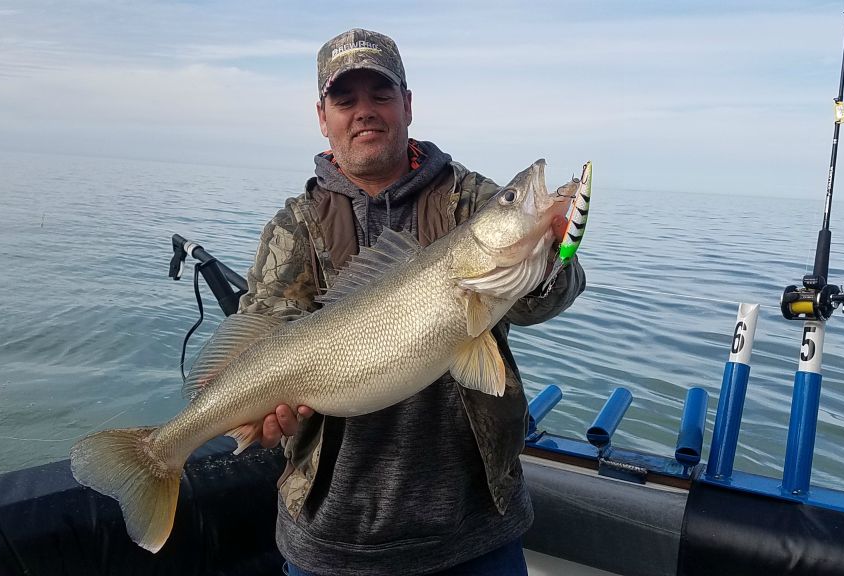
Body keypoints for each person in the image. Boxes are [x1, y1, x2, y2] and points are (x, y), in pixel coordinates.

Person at [236, 28, 585, 576]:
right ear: (322, 116)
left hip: (475, 535)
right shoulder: (294, 225)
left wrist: (552, 253)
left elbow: (547, 298)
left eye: (381, 94)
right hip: (331, 544)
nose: (364, 112)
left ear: (408, 104)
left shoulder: (470, 199)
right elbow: (260, 334)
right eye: (345, 99)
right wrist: (263, 418)